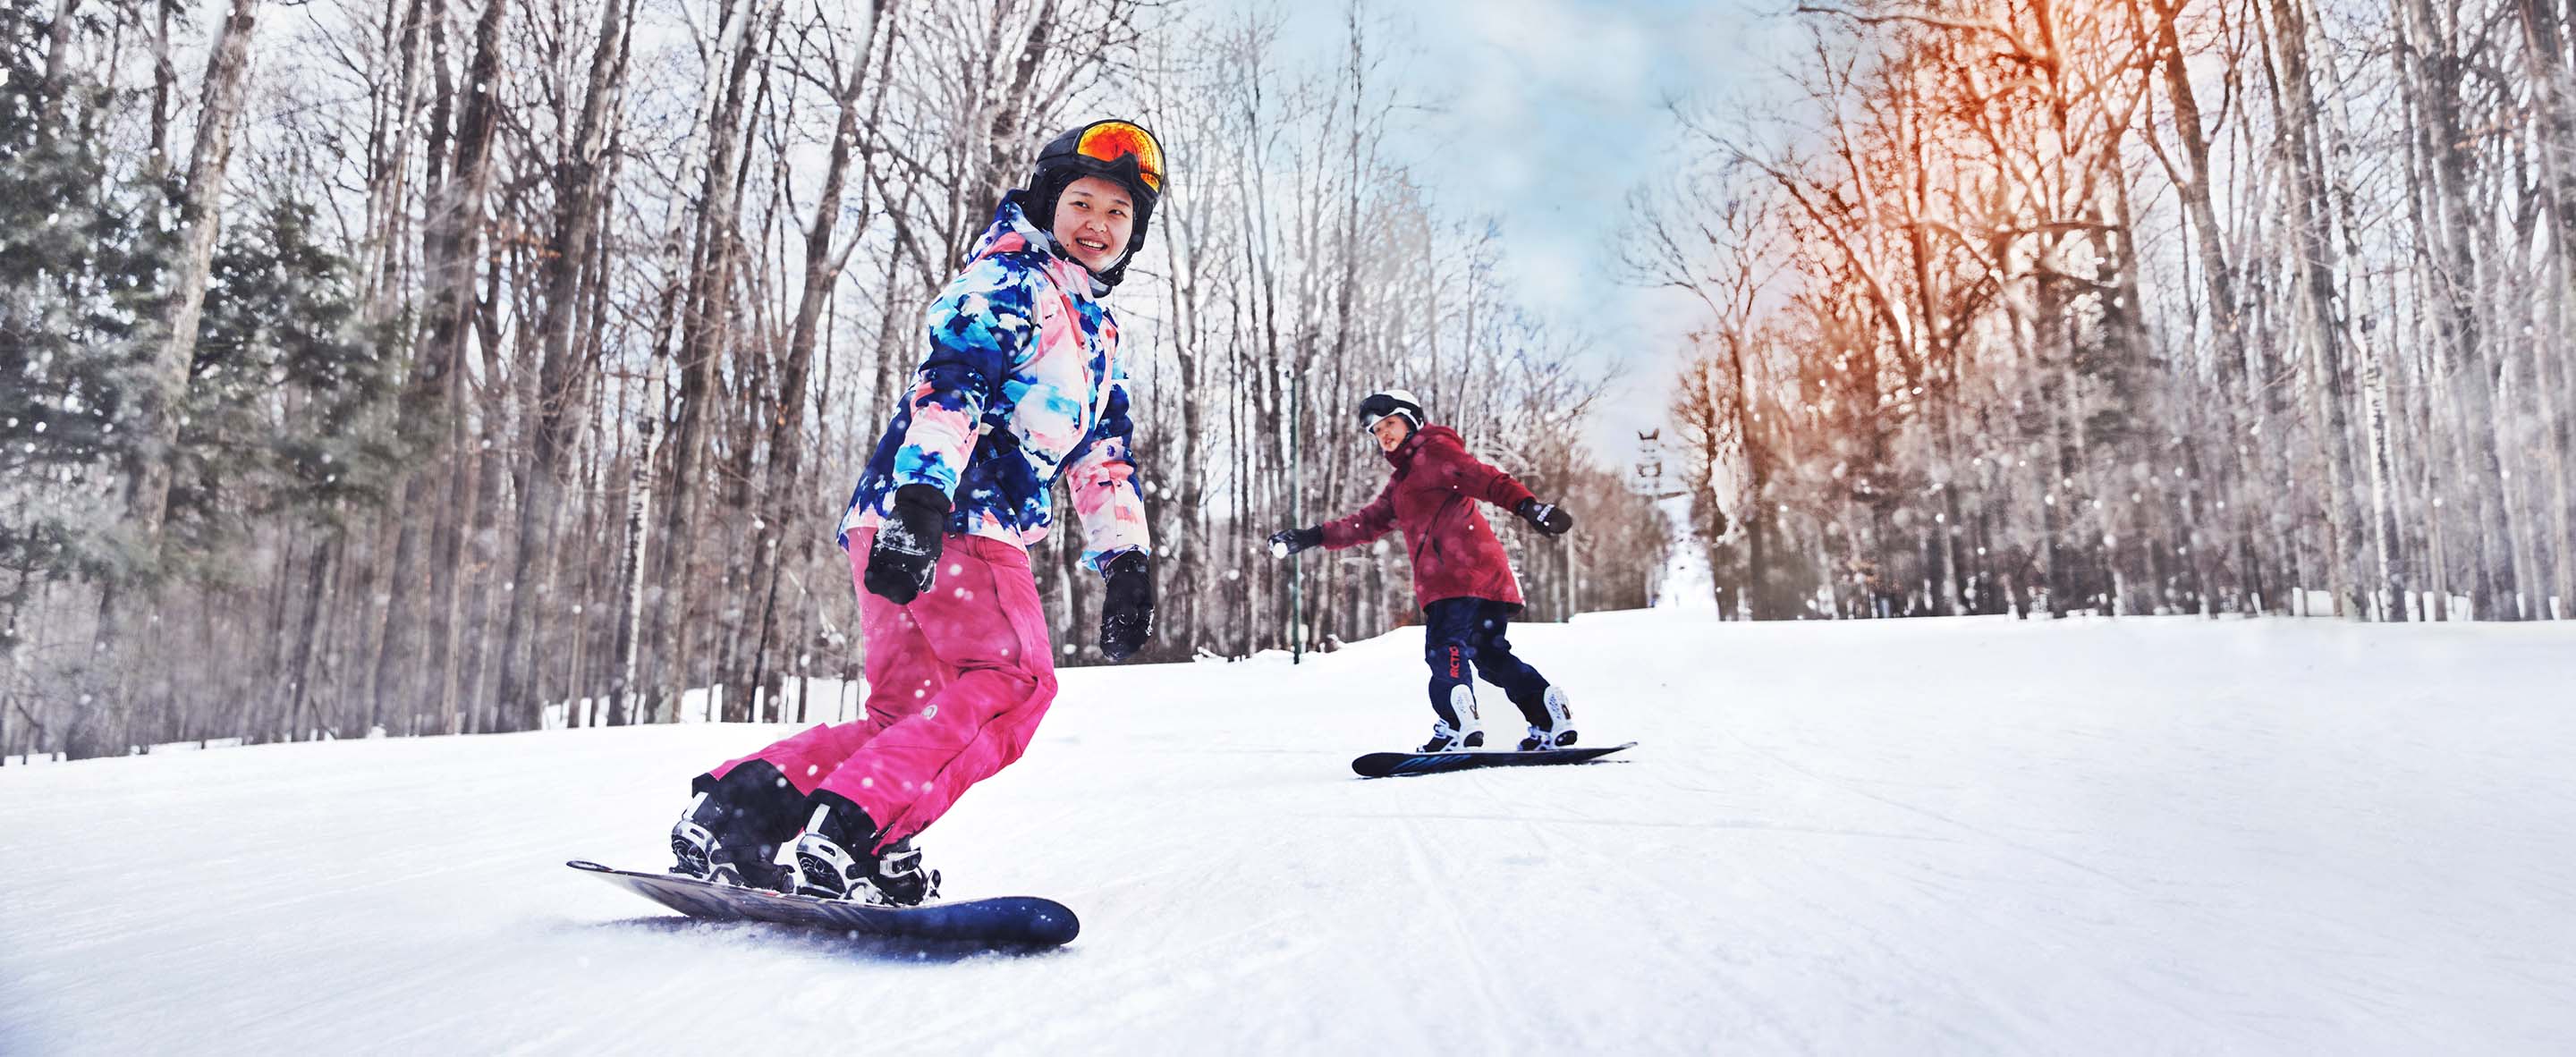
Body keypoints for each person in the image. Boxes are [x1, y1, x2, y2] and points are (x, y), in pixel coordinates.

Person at [666, 120, 1167, 905]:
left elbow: (1103, 456)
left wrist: (1127, 561)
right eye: (1082, 202)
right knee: (1017, 682)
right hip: (954, 517)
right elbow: (952, 389)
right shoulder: (1010, 282)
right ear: (1049, 201)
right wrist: (925, 504)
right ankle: (859, 828)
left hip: (896, 520)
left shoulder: (1096, 331)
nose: (1097, 224)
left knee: (905, 715)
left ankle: (737, 816)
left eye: (1117, 213)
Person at [1268, 389, 1580, 754]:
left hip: (1455, 577)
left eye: (1390, 424)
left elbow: (1486, 479)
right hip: (1485, 579)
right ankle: (1548, 714)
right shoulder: (1403, 482)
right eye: (1376, 431)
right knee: (1490, 656)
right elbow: (1366, 523)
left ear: (1411, 420)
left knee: (1444, 649)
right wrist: (1311, 536)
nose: (1384, 434)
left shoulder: (1435, 453)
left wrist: (1528, 506)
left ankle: (1456, 726)